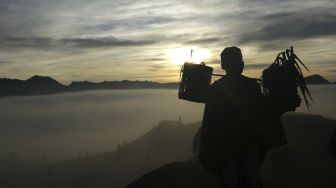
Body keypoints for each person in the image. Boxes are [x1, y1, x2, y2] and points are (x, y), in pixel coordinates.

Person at [198, 46, 287, 188]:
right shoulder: (251, 86)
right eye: (238, 61)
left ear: (223, 66)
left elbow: (209, 123)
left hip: (230, 149)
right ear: (240, 65)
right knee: (250, 182)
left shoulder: (216, 89)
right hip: (245, 148)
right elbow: (263, 114)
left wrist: (205, 151)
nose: (241, 64)